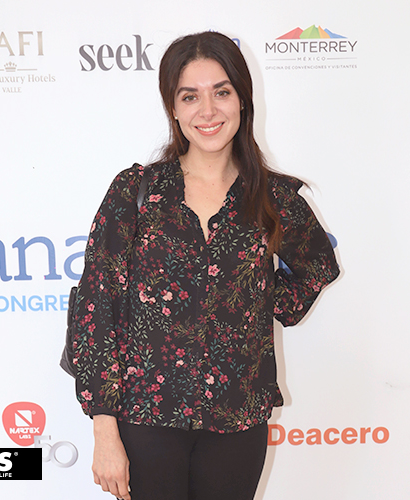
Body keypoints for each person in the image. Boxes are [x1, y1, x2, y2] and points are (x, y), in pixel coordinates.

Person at [72, 31, 340, 500]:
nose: (208, 111)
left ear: (242, 100)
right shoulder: (136, 192)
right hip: (146, 419)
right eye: (190, 96)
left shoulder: (274, 197)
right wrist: (104, 429)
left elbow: (318, 265)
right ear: (173, 109)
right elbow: (96, 308)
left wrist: (258, 302)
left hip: (238, 422)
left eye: (222, 92)